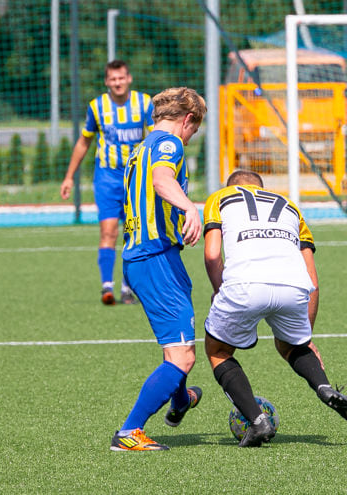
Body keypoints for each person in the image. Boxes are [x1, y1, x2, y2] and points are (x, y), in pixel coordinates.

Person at [202, 169, 347, 448]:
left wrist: (219, 291)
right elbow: (313, 280)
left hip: (245, 283)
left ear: (232, 186)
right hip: (293, 284)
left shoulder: (220, 198)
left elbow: (213, 253)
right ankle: (323, 386)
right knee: (290, 347)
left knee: (218, 351)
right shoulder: (290, 207)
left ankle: (256, 420)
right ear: (261, 188)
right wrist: (306, 338)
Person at [110, 86, 207, 451]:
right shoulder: (170, 144)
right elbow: (162, 180)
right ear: (187, 120)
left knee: (176, 345)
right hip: (154, 258)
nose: (191, 136)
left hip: (147, 256)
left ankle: (180, 400)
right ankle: (129, 432)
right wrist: (190, 208)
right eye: (194, 130)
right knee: (182, 355)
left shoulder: (141, 147)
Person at [60, 60, 154, 306]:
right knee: (108, 230)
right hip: (107, 176)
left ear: (129, 78)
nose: (117, 83)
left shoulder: (144, 103)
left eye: (121, 78)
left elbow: (155, 138)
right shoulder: (97, 106)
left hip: (135, 178)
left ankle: (127, 288)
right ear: (106, 82)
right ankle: (106, 287)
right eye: (113, 79)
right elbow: (84, 142)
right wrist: (69, 176)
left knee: (133, 233)